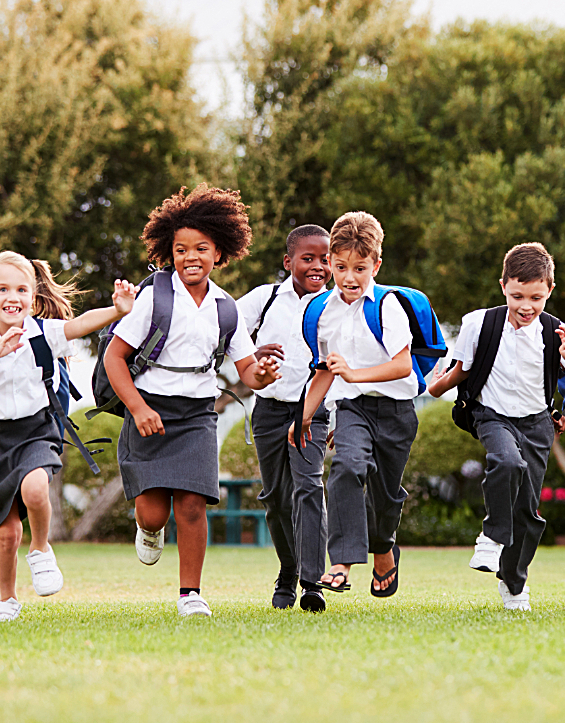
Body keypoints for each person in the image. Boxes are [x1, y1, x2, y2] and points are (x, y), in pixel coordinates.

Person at [105, 184, 281, 618]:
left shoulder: (226, 308)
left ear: (219, 253)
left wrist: (263, 373)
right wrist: (139, 408)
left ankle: (190, 595)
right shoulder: (155, 296)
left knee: (192, 503)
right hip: (149, 409)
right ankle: (148, 530)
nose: (191, 257)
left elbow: (246, 372)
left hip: (197, 413)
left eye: (201, 248)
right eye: (181, 249)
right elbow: (114, 357)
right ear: (170, 252)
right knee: (152, 512)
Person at [0, 251, 137, 622]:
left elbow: (79, 325)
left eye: (21, 289)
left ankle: (42, 548)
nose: (11, 297)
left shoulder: (43, 332)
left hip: (35, 428)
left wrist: (117, 310)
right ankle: (7, 599)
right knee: (7, 533)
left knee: (34, 490)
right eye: (2, 289)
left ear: (32, 296)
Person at [427, 243, 565, 611]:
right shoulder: (478, 323)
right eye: (517, 295)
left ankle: (514, 585)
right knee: (507, 462)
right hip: (492, 416)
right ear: (503, 286)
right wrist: (430, 387)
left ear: (549, 289)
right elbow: (461, 371)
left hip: (537, 424)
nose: (526, 305)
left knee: (528, 514)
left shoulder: (555, 332)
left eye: (535, 297)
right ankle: (491, 536)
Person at [288, 211, 416, 599]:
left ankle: (383, 548)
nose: (349, 277)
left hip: (396, 410)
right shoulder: (322, 311)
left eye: (360, 268)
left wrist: (354, 373)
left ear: (375, 265)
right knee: (346, 467)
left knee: (386, 496)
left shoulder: (388, 306)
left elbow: (402, 364)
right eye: (341, 266)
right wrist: (303, 415)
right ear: (330, 263)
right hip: (353, 409)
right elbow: (326, 371)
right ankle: (341, 562)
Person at [236, 225, 332, 612]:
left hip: (313, 410)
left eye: (325, 259)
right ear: (288, 261)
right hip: (269, 411)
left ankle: (312, 583)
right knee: (276, 500)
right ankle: (288, 571)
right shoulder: (266, 297)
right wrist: (252, 352)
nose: (318, 267)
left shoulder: (337, 305)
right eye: (308, 258)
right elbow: (228, 330)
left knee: (309, 488)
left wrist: (332, 416)